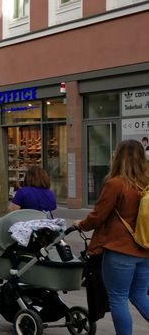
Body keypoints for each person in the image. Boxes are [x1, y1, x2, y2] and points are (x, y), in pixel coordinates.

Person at [74, 140, 149, 335]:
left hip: (120, 250)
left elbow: (98, 216)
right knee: (140, 295)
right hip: (146, 250)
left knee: (118, 297)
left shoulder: (116, 183)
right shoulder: (147, 183)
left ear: (118, 157)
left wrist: (81, 225)